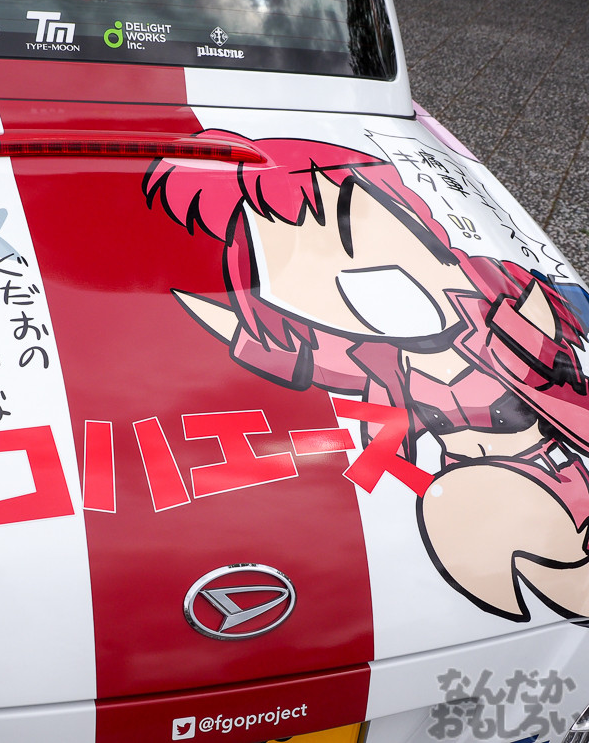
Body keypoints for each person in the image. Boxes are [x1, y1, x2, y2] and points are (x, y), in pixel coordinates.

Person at [146, 133, 589, 620]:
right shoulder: (374, 358)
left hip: (553, 474)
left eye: (345, 239)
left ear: (415, 222)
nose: (342, 280)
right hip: (467, 490)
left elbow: (560, 367)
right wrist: (163, 292)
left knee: (561, 582)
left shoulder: (500, 317)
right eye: (289, 269)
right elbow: (290, 355)